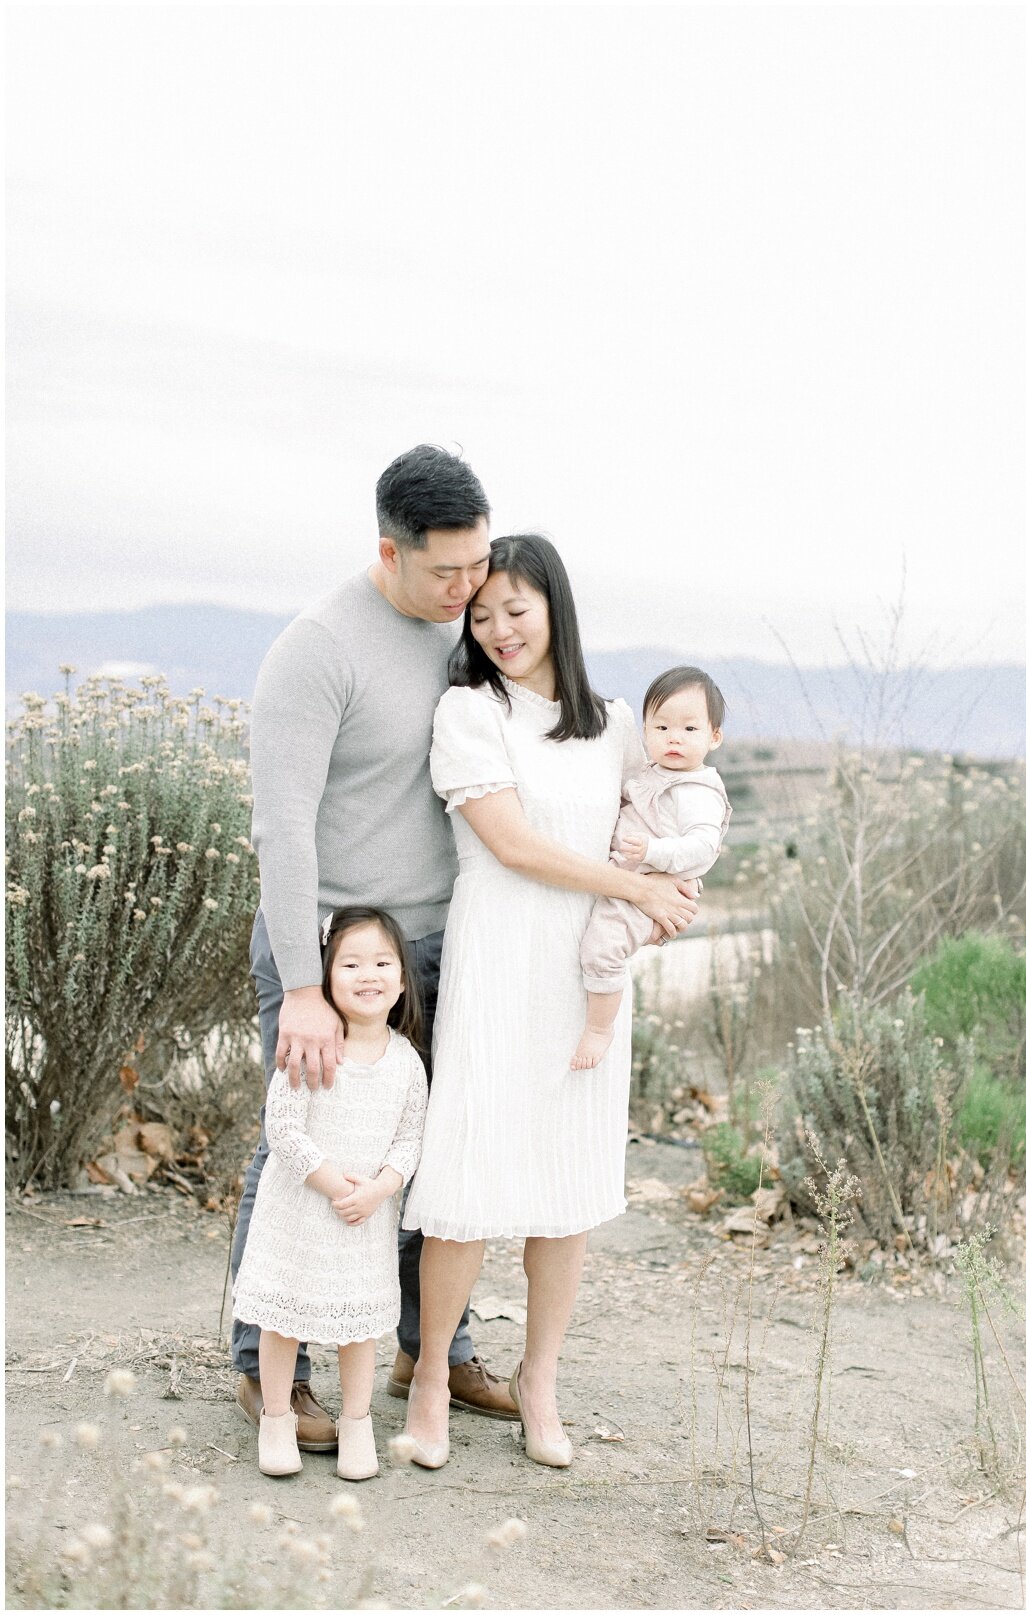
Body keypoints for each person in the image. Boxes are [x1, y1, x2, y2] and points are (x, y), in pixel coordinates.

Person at [233, 444, 518, 1450]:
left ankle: (426, 1346)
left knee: (425, 1151)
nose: (466, 587)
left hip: (440, 944)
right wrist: (304, 986)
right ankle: (267, 1368)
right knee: (299, 1149)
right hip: (331, 955)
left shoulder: (466, 632)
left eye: (476, 564)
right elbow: (285, 826)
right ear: (387, 551)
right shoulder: (318, 649)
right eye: (444, 570)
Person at [400, 534, 699, 1472]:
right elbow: (514, 845)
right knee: (463, 1189)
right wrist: (636, 886)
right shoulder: (466, 711)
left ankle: (539, 1379)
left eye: (515, 610)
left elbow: (664, 822)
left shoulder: (615, 723)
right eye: (481, 615)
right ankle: (430, 1380)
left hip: (584, 980)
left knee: (563, 1193)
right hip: (498, 967)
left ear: (554, 608)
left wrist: (674, 885)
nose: (496, 630)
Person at [233, 908, 428, 1479]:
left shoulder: (406, 1061)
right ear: (326, 975)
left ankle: (358, 1424)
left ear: (400, 979)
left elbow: (411, 1138)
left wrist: (381, 1188)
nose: (367, 975)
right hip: (300, 1211)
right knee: (283, 1319)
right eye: (350, 963)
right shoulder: (313, 1047)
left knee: (358, 1327)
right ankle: (276, 1418)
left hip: (363, 1218)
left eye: (381, 963)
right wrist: (331, 1181)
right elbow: (284, 1129)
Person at [571, 666, 732, 1069]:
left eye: (689, 730)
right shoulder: (652, 772)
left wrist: (653, 851)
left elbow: (703, 847)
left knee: (601, 949)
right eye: (661, 727)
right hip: (630, 877)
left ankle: (598, 1028)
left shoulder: (695, 790)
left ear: (714, 736)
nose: (673, 737)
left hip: (649, 887)